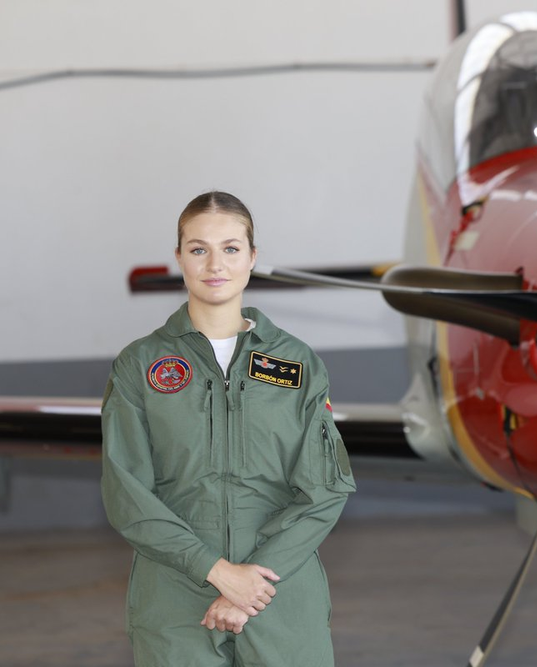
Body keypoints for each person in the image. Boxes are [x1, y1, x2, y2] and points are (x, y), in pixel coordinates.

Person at [101, 191, 356, 666]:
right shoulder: (140, 365)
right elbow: (126, 490)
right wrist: (217, 571)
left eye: (231, 248)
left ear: (252, 257)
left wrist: (253, 583)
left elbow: (324, 489)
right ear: (179, 258)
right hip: (175, 591)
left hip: (281, 587)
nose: (215, 263)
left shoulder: (296, 362)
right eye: (198, 249)